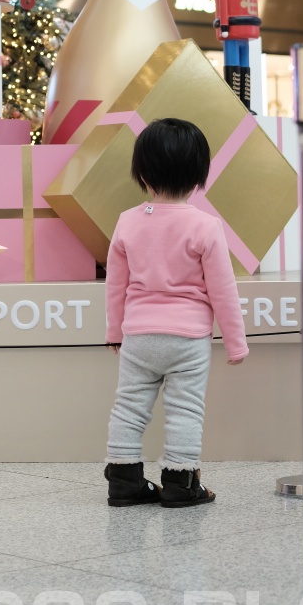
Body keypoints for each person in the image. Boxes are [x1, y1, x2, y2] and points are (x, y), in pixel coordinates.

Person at [104, 118, 249, 509]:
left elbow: (115, 284)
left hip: (138, 336)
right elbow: (223, 290)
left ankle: (123, 480)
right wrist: (235, 343)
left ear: (143, 173)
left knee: (129, 407)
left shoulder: (127, 222)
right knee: (185, 410)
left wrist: (114, 332)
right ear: (198, 176)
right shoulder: (205, 226)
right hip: (188, 340)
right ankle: (181, 483)